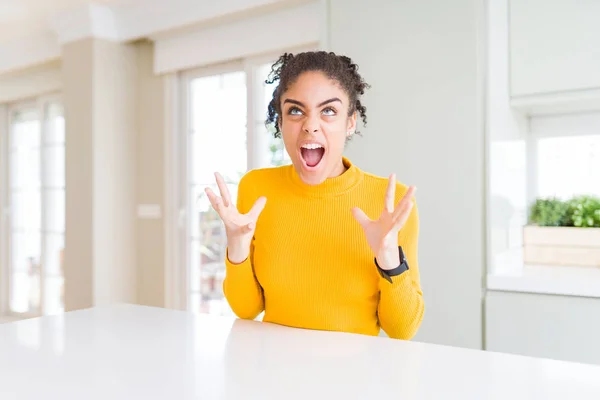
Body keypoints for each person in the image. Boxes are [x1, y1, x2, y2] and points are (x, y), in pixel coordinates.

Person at [205, 51, 424, 340]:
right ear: (280, 122)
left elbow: (402, 329)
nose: (310, 124)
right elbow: (246, 309)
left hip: (356, 376)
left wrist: (388, 259)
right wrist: (237, 246)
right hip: (275, 371)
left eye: (329, 111)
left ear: (350, 122)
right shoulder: (257, 189)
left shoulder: (390, 201)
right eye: (295, 110)